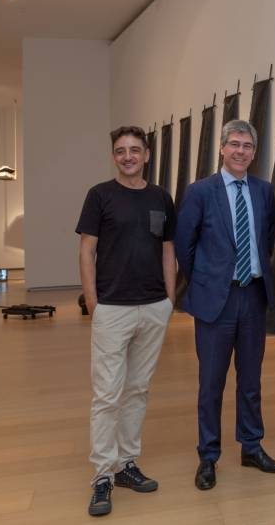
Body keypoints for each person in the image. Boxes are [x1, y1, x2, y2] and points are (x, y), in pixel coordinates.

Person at [175, 120, 275, 491]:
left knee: (251, 380)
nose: (240, 151)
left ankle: (251, 446)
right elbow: (184, 247)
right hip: (215, 301)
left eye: (247, 146)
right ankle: (208, 455)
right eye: (234, 144)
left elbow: (266, 238)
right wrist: (208, 280)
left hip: (252, 295)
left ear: (254, 152)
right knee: (211, 383)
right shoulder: (199, 192)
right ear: (222, 149)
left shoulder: (264, 191)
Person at [77, 125, 176, 516]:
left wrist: (170, 299)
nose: (129, 156)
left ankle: (126, 465)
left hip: (154, 307)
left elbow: (168, 249)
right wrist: (93, 303)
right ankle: (102, 474)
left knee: (137, 390)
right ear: (114, 156)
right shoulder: (99, 196)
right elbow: (87, 252)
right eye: (121, 151)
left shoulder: (161, 197)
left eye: (135, 150)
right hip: (112, 309)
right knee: (107, 394)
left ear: (147, 154)